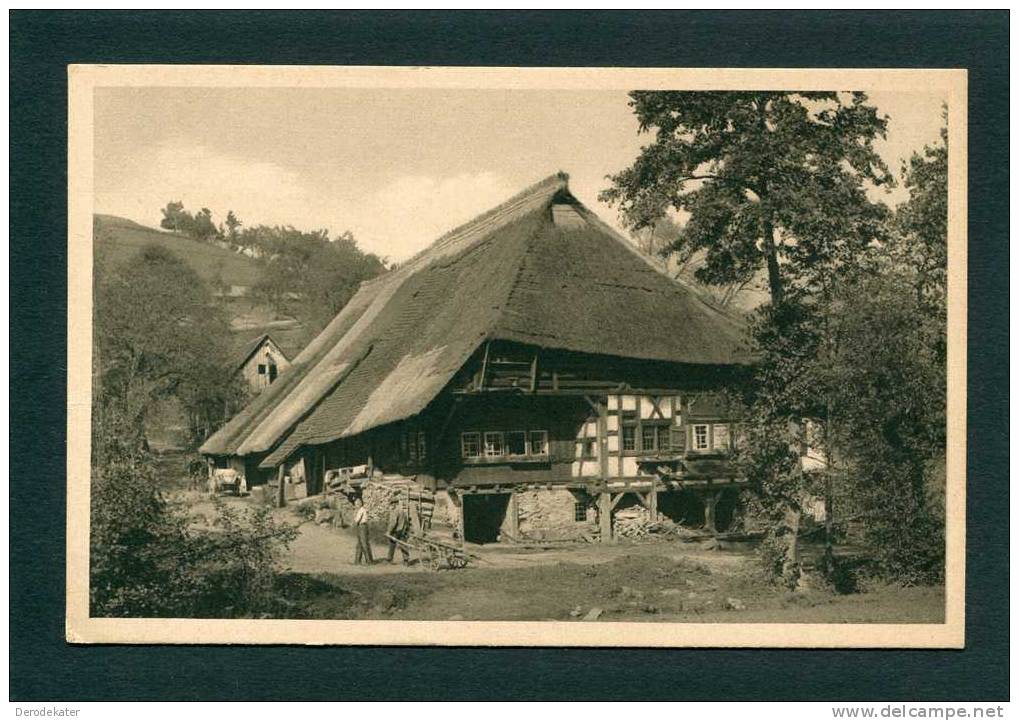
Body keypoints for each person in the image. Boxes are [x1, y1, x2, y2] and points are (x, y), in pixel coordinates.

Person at [386, 497, 412, 565]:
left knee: (392, 544)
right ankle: (406, 560)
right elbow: (406, 521)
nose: (391, 505)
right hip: (403, 530)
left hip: (396, 530)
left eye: (392, 504)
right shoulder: (402, 510)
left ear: (395, 503)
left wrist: (389, 531)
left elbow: (393, 522)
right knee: (403, 545)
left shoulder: (395, 511)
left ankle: (389, 559)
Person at [352, 497, 374, 565]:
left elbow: (357, 520)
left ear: (359, 504)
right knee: (359, 544)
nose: (355, 506)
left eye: (356, 504)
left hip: (362, 527)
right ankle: (357, 561)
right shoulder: (361, 510)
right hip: (361, 527)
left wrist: (354, 518)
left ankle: (369, 561)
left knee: (364, 544)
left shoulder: (361, 510)